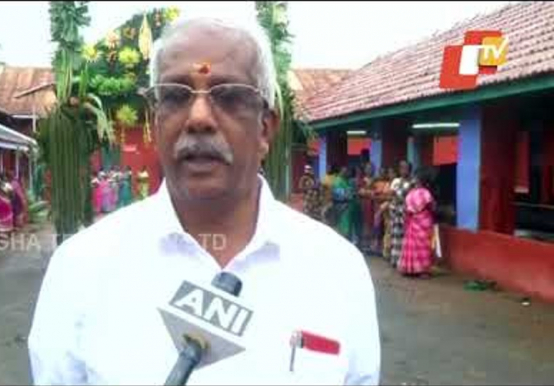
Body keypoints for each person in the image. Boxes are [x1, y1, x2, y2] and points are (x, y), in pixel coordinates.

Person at [28, 16, 379, 385]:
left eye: (228, 96)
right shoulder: (81, 268)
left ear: (265, 128)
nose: (198, 118)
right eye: (176, 96)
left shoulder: (338, 271)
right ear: (155, 119)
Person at [398, 167, 437, 278]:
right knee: (424, 246)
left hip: (412, 221)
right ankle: (423, 271)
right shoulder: (426, 193)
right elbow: (432, 207)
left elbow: (406, 208)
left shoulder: (410, 194)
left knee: (411, 246)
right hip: (424, 221)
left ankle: (409, 268)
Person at [388, 161, 413, 268]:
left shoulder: (413, 182)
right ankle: (395, 260)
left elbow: (409, 197)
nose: (403, 170)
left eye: (406, 168)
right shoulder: (396, 181)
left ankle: (403, 262)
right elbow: (392, 195)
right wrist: (400, 196)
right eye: (401, 168)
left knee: (405, 238)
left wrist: (399, 196)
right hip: (395, 212)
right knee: (395, 236)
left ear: (410, 170)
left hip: (406, 213)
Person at [332, 165, 356, 241]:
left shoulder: (348, 181)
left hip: (348, 207)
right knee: (342, 226)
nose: (347, 173)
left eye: (347, 171)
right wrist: (351, 194)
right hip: (341, 206)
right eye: (345, 171)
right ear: (341, 172)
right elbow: (340, 194)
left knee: (348, 226)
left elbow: (352, 192)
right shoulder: (338, 181)